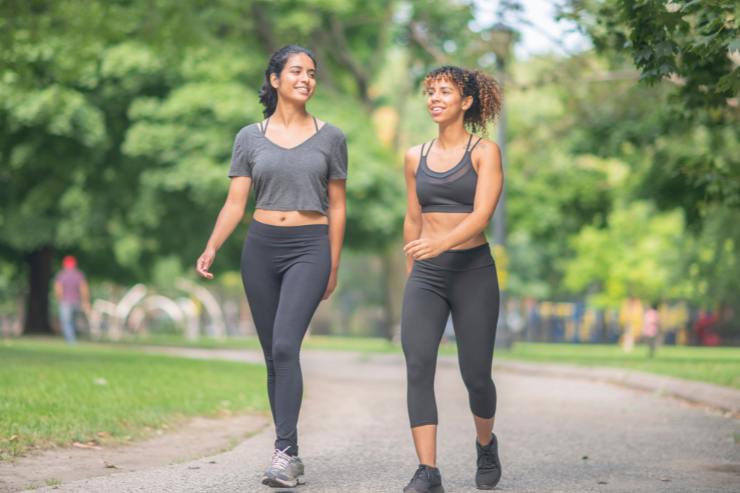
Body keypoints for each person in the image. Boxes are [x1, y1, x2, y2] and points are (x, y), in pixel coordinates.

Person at [195, 45, 347, 488]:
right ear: (275, 79)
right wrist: (212, 246)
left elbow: (337, 206)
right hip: (261, 248)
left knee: (285, 346)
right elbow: (235, 202)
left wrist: (333, 263)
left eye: (312, 73)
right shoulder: (249, 137)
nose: (306, 78)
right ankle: (290, 453)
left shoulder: (331, 137)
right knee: (272, 357)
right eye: (297, 71)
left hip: (310, 246)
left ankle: (282, 454)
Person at [401, 66, 504, 492]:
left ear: (465, 102)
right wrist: (414, 274)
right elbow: (413, 218)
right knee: (418, 365)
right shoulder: (413, 156)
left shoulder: (485, 152)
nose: (435, 98)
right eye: (430, 92)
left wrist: (440, 244)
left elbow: (482, 215)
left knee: (475, 375)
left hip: (473, 272)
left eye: (445, 92)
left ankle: (486, 443)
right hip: (427, 276)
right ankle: (429, 471)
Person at [53, 255, 91, 344]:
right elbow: (84, 289)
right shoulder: (79, 275)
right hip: (76, 301)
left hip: (65, 301)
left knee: (67, 322)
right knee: (73, 321)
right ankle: (72, 339)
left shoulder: (61, 275)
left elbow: (58, 288)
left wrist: (59, 299)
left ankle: (71, 341)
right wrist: (85, 301)